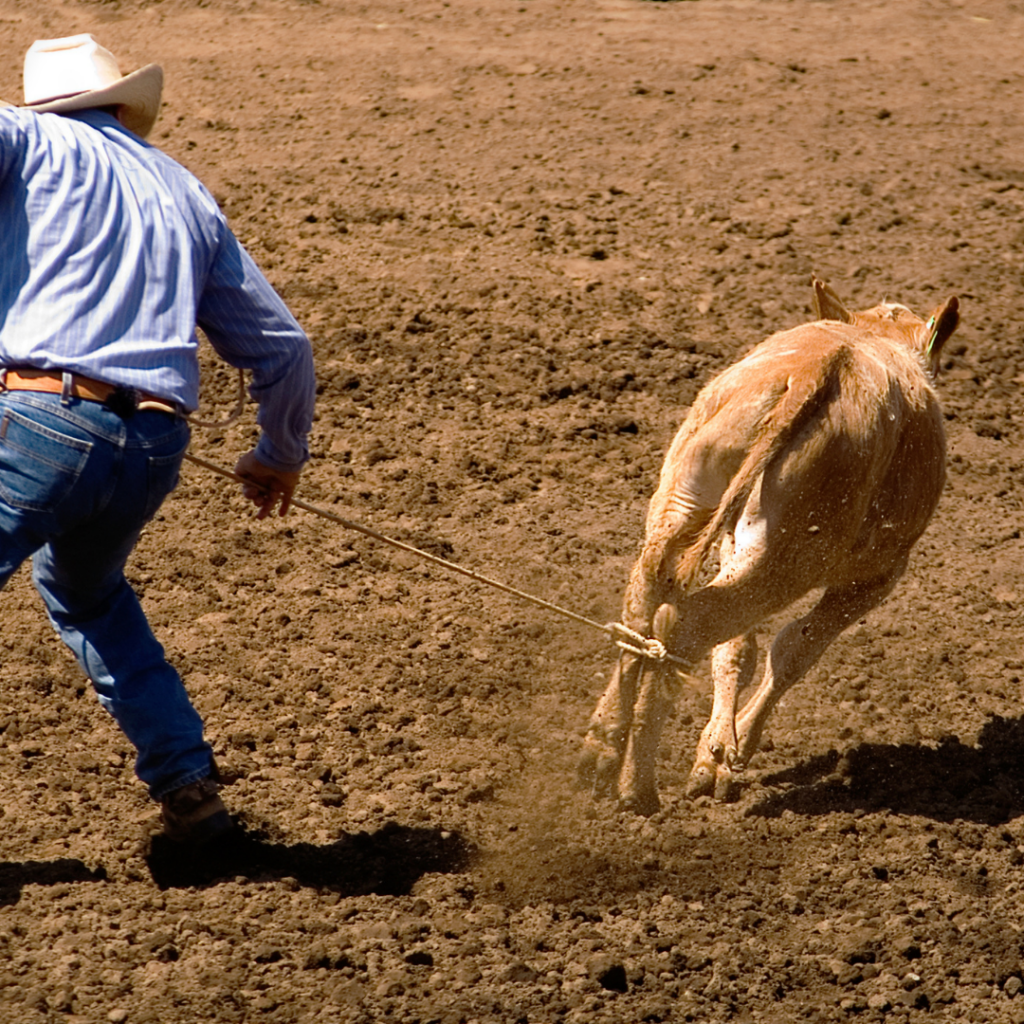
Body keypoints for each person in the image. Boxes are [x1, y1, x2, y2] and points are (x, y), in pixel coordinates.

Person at [0, 35, 316, 846]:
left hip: (44, 422)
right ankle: (190, 789)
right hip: (150, 450)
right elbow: (284, 349)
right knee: (89, 595)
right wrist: (278, 454)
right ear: (120, 101)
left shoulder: (29, 140)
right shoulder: (185, 189)